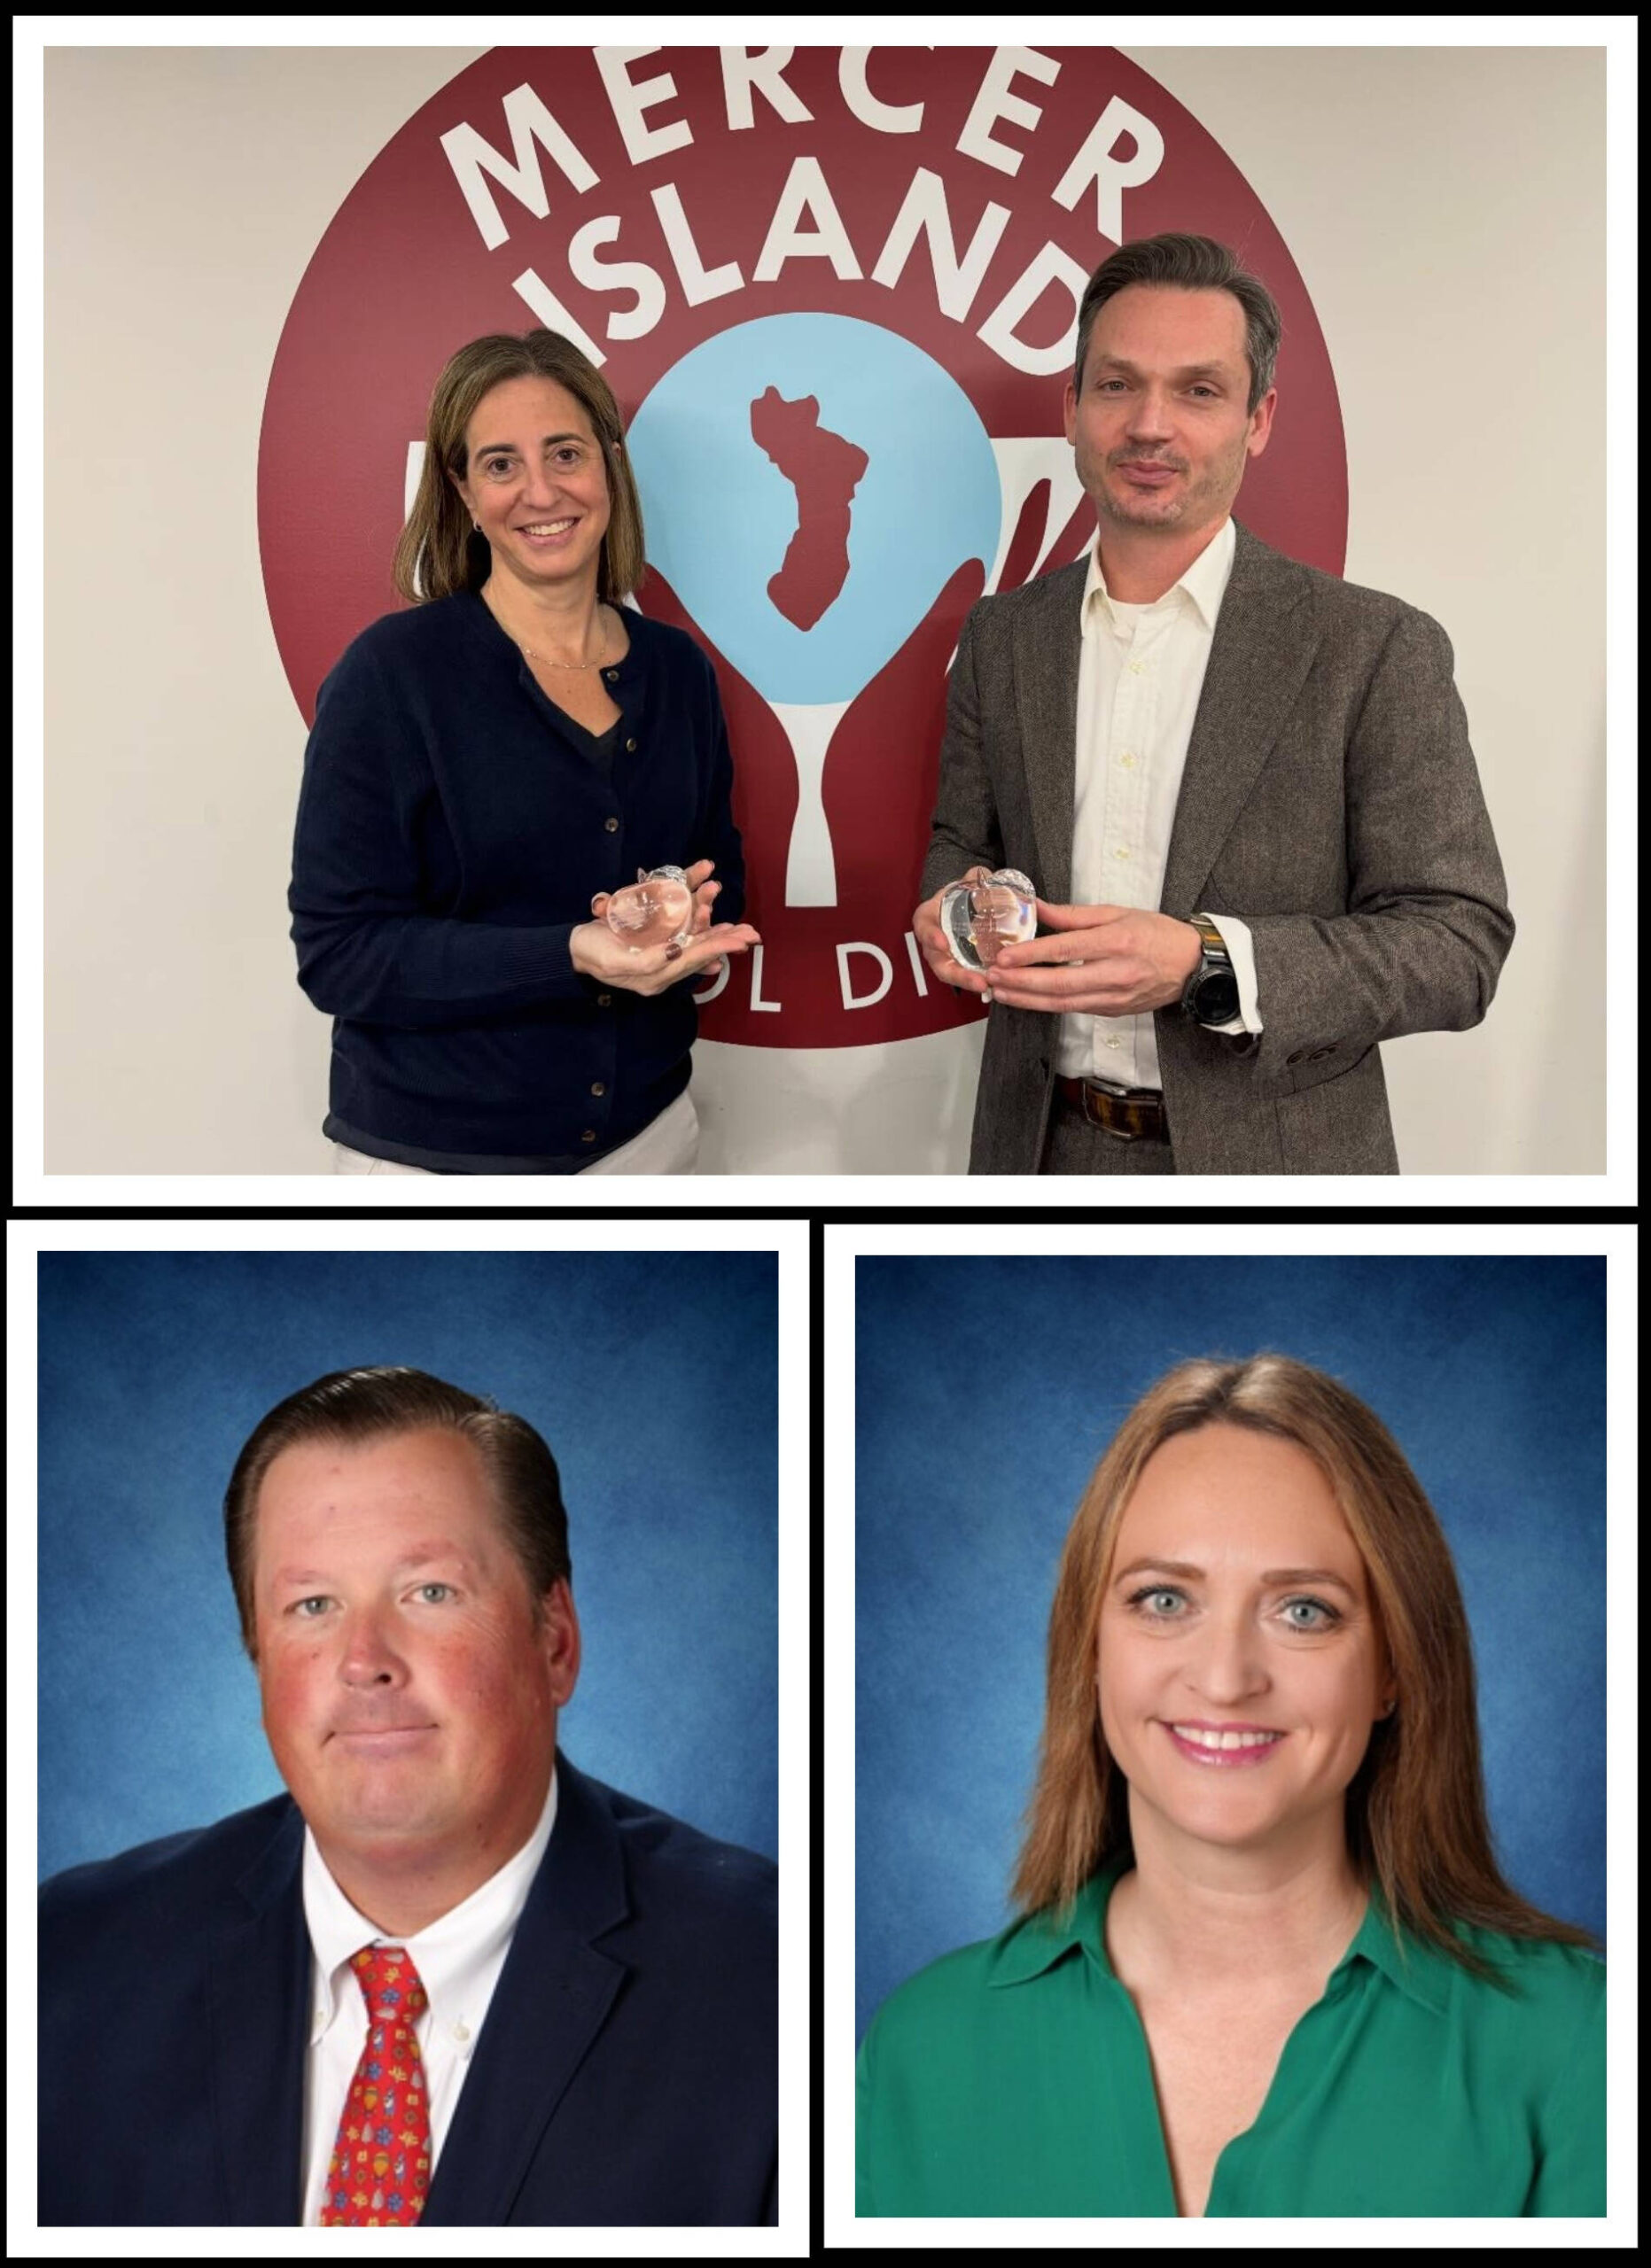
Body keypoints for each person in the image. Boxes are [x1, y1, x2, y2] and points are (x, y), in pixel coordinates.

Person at [856, 1355, 1603, 2218]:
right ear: (1089, 1645)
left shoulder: (1578, 2043)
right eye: (1165, 1599)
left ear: (1395, 1665)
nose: (1225, 1677)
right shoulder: (922, 2050)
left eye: (1303, 1610)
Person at [39, 1366, 776, 2226]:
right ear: (258, 1658)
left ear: (556, 1642)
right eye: (312, 1604)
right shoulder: (66, 1969)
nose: (365, 1660)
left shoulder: (773, 1986)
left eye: (430, 1592)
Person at [912, 235, 1515, 1174]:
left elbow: (1456, 944)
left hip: (1277, 1174)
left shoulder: (1375, 648)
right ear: (1071, 410)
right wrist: (951, 904)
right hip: (1035, 1159)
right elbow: (964, 843)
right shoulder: (1003, 638)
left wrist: (1207, 960)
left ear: (1257, 417)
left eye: (1198, 390)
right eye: (1117, 386)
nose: (1150, 425)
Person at [288, 330, 759, 1174]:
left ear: (610, 466)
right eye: (501, 465)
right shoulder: (391, 676)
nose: (541, 492)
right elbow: (341, 955)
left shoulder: (679, 671)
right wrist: (575, 949)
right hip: (434, 1171)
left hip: (650, 1147)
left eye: (565, 453)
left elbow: (715, 877)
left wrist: (679, 921)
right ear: (463, 491)